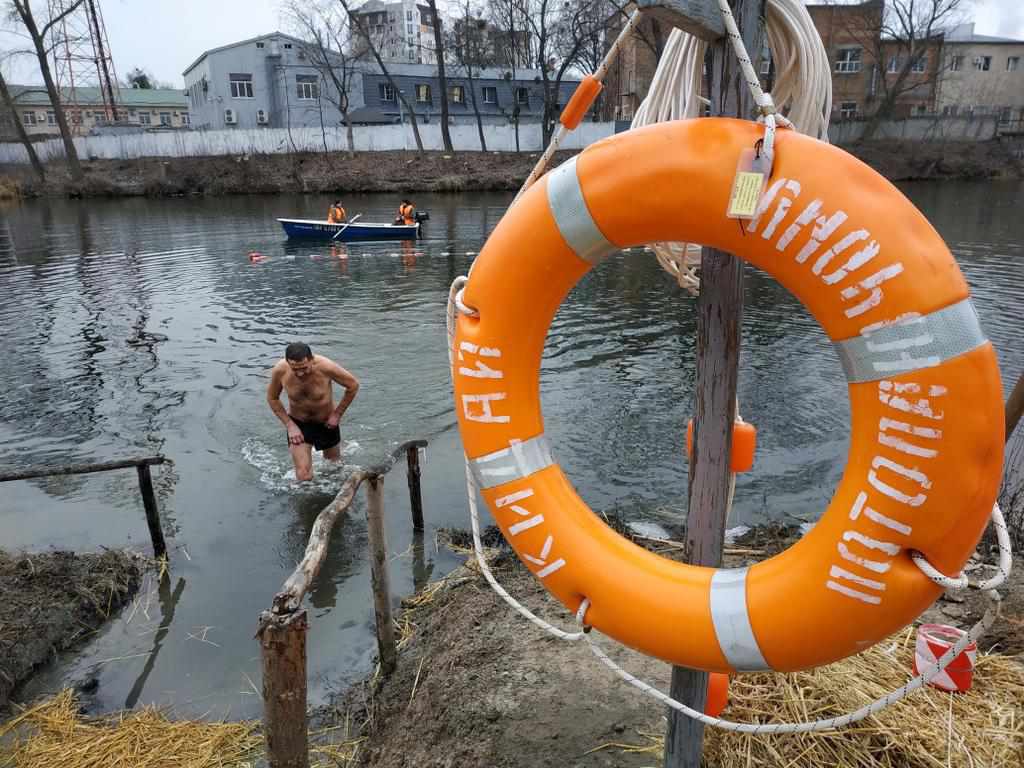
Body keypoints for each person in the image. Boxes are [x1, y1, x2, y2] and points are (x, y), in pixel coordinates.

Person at [266, 342, 360, 481]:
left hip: (327, 422)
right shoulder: (280, 370)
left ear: (311, 360)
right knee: (304, 476)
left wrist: (337, 414)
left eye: (304, 368)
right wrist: (290, 426)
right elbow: (272, 398)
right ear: (287, 362)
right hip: (299, 424)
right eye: (295, 369)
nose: (300, 373)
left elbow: (353, 386)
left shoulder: (326, 367)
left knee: (334, 468)